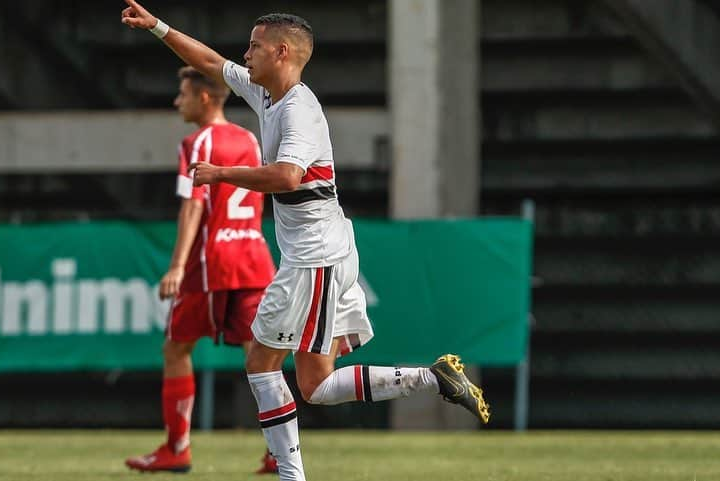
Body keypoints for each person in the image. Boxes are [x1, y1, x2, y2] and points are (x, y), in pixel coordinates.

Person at [121, 2, 490, 480]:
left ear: (281, 52)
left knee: (260, 362)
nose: (245, 54)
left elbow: (288, 176)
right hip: (326, 250)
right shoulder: (266, 94)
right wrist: (158, 27)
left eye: (254, 46)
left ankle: (292, 476)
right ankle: (432, 376)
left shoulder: (300, 109)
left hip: (314, 256)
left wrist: (221, 174)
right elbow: (211, 63)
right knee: (314, 383)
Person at [124, 65, 277, 473]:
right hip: (254, 258)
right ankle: (279, 450)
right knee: (261, 357)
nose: (178, 101)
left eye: (184, 94)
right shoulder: (249, 139)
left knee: (176, 348)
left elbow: (193, 203)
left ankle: (177, 448)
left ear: (204, 98)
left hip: (211, 264)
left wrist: (176, 265)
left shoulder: (198, 143)